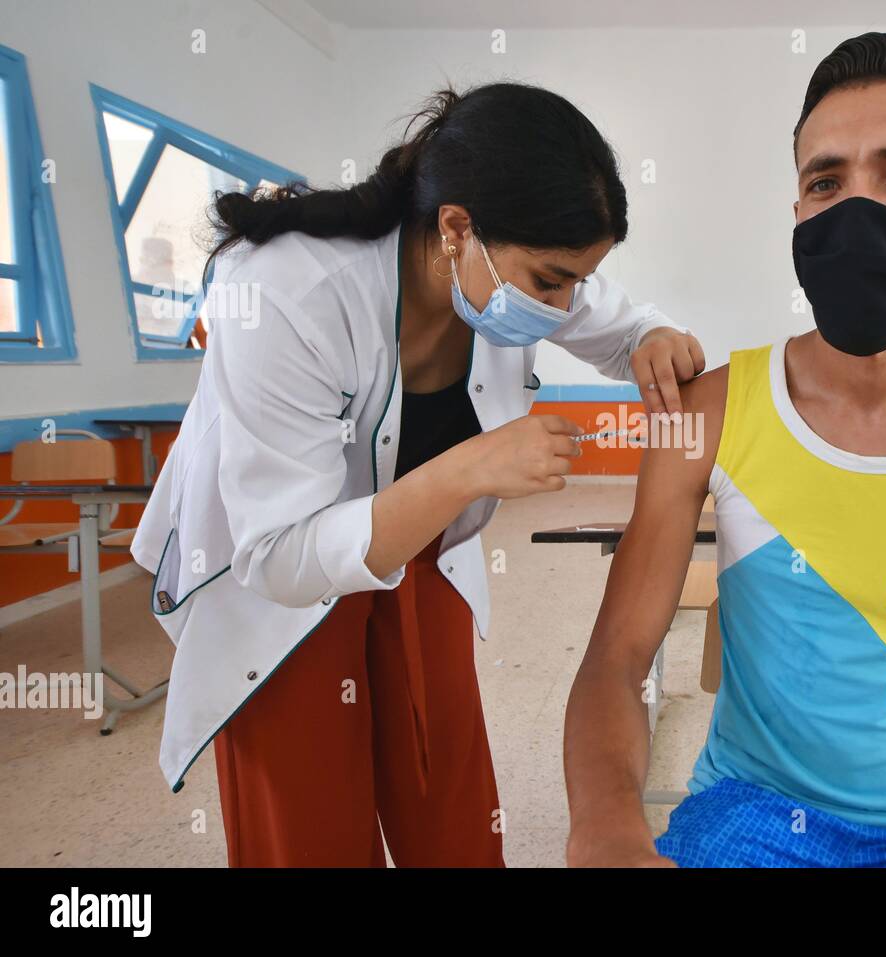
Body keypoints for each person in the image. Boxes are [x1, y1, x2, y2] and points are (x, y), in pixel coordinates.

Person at [130, 82, 705, 867]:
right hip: (276, 573)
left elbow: (610, 314)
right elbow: (282, 555)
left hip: (420, 550)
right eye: (549, 282)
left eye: (577, 280)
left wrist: (651, 334)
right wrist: (473, 466)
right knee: (310, 821)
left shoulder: (515, 270)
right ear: (456, 228)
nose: (565, 304)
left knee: (450, 794)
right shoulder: (285, 290)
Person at [563, 33, 886, 868]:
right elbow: (619, 656)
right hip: (752, 817)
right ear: (800, 215)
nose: (858, 208)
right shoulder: (710, 410)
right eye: (826, 181)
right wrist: (605, 832)